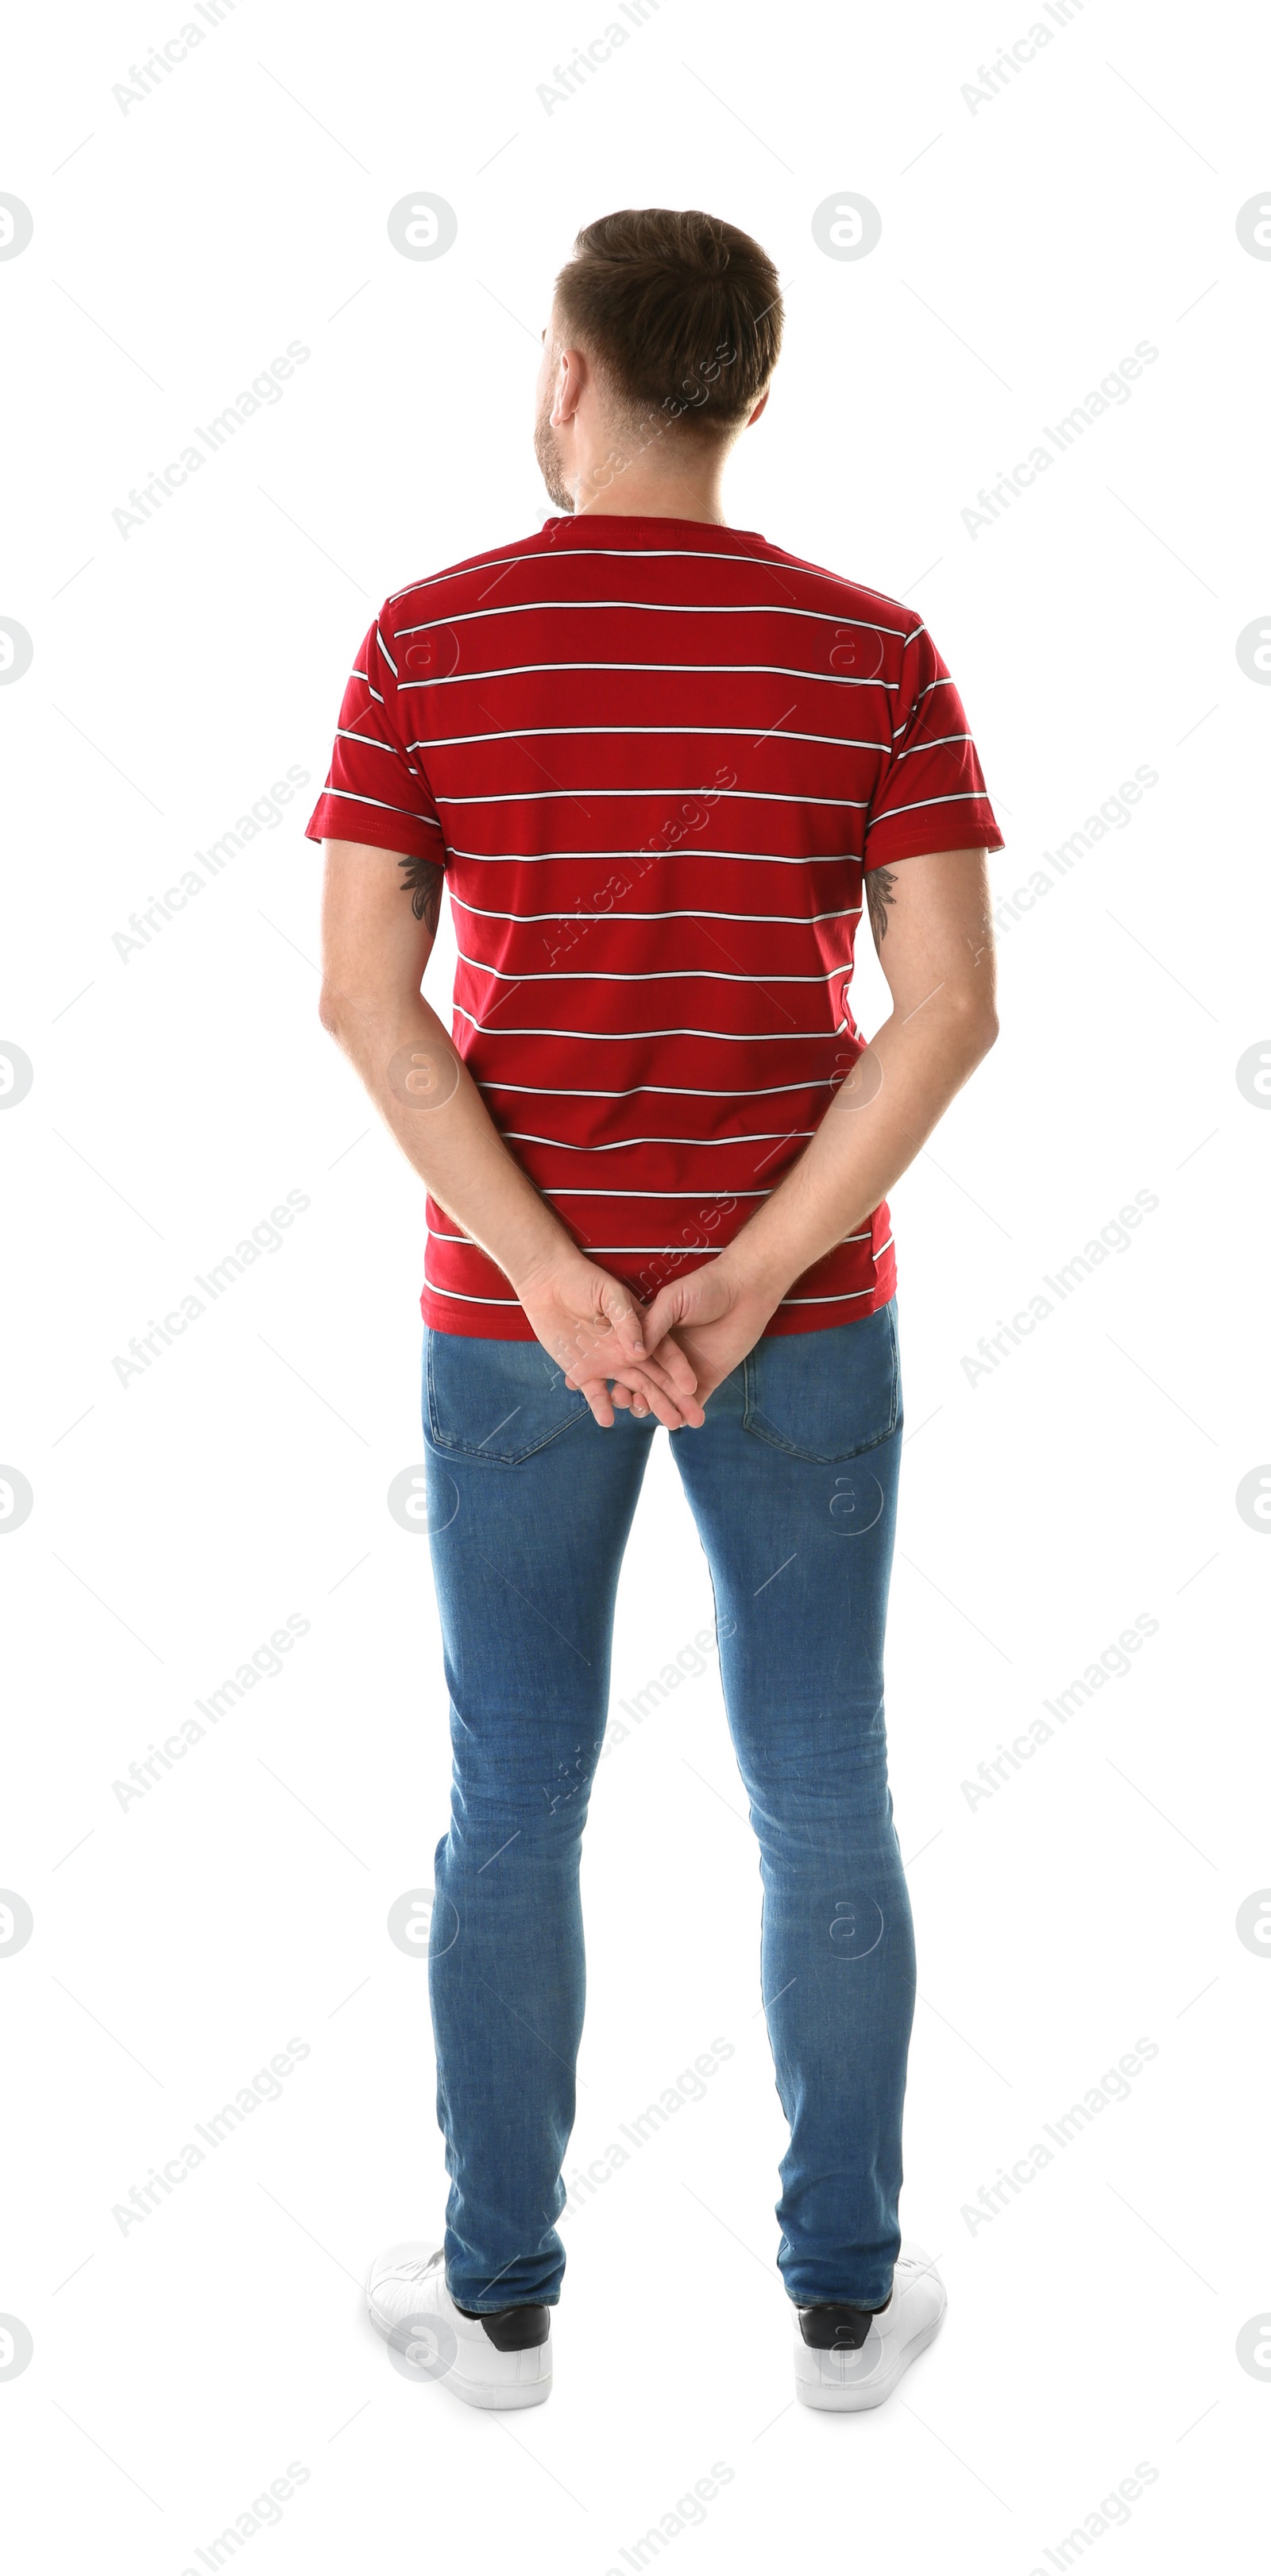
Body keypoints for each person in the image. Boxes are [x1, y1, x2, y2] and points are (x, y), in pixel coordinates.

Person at [309, 207, 1003, 2414]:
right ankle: (841, 2304)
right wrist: (745, 1271)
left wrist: (553, 1273)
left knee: (509, 1796)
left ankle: (500, 2307)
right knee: (825, 1788)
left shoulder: (428, 640)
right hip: (796, 1319)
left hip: (511, 1322)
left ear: (572, 374)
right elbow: (952, 1012)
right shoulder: (874, 650)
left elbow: (358, 992)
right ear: (751, 390)